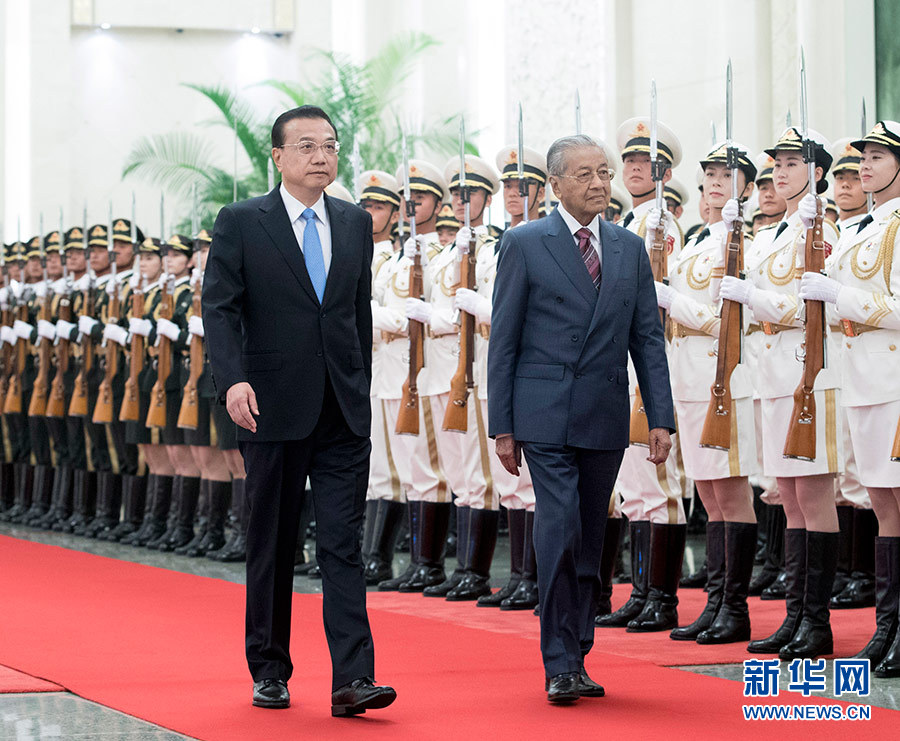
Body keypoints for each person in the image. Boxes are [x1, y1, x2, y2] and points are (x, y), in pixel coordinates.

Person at [203, 104, 395, 715]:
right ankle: (269, 668)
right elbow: (220, 309)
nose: (321, 156)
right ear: (278, 156)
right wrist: (232, 381)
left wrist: (358, 383)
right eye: (307, 146)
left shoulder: (354, 222)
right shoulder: (242, 221)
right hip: (271, 405)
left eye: (330, 146)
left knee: (342, 543)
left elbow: (355, 313)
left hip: (341, 409)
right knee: (273, 540)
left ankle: (353, 679)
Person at [488, 134, 675, 704]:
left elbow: (647, 339)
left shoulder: (628, 248)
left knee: (591, 535)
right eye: (585, 174)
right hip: (543, 414)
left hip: (603, 410)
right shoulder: (524, 242)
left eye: (604, 173)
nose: (599, 183)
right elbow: (504, 340)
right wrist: (502, 425)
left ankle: (578, 650)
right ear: (555, 185)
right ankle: (560, 660)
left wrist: (660, 417)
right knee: (560, 526)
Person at [719, 126, 843, 660]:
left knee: (812, 496)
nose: (781, 172)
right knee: (788, 497)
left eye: (793, 163)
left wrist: (755, 299)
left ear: (817, 172)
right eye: (777, 164)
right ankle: (795, 616)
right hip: (771, 376)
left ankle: (817, 623)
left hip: (807, 374)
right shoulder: (774, 233)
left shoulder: (821, 229)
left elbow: (815, 308)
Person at [799, 120, 900, 675]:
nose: (865, 164)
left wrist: (841, 296)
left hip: (893, 381)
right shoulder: (862, 227)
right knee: (882, 504)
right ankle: (888, 627)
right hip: (861, 380)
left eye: (878, 155)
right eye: (864, 155)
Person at [661, 142, 759, 644]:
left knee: (731, 491)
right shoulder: (699, 241)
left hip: (725, 378)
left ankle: (734, 609)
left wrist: (674, 303)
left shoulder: (743, 242)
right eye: (711, 175)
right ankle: (716, 602)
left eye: (727, 175)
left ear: (747, 187)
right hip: (689, 379)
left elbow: (730, 322)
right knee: (708, 493)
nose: (716, 183)